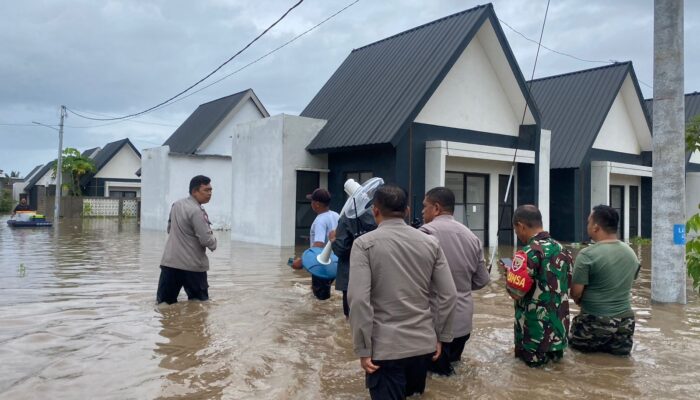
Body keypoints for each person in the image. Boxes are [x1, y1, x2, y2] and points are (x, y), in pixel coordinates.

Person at [348, 184, 457, 399]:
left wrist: (363, 348)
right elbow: (448, 295)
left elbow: (359, 300)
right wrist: (440, 337)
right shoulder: (430, 243)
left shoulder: (364, 245)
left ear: (375, 211)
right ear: (407, 211)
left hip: (385, 350)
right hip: (422, 346)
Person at [419, 187, 490, 376]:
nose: (422, 211)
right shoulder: (472, 236)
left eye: (424, 206)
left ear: (436, 208)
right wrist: (463, 285)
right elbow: (483, 280)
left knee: (432, 379)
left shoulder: (424, 235)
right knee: (452, 374)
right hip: (463, 322)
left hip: (434, 323)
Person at [505, 205, 572, 367]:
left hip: (534, 336)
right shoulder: (564, 250)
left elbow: (516, 293)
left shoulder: (527, 253)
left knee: (529, 381)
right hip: (559, 332)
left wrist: (509, 274)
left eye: (516, 230)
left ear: (521, 226)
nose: (517, 234)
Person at [569, 205, 640, 355]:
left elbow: (576, 293)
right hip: (625, 323)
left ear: (595, 227)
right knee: (619, 367)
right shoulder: (631, 253)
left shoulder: (587, 255)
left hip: (594, 321)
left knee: (580, 361)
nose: (587, 225)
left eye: (588, 222)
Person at [156, 175, 217, 305]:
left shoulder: (176, 205)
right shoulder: (197, 211)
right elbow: (206, 240)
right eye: (206, 190)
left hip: (170, 264)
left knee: (164, 305)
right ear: (195, 191)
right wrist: (214, 242)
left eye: (211, 190)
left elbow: (169, 229)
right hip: (192, 267)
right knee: (199, 307)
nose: (210, 193)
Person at [330, 182, 378, 318]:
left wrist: (333, 240)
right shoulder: (376, 215)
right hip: (375, 273)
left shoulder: (347, 218)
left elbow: (341, 249)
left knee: (350, 318)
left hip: (350, 275)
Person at [292, 188, 339, 300]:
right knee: (320, 292)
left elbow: (318, 244)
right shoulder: (336, 215)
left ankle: (323, 316)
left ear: (317, 204)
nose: (311, 204)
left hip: (322, 265)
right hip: (334, 264)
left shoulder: (320, 221)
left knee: (320, 301)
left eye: (312, 201)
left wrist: (302, 261)